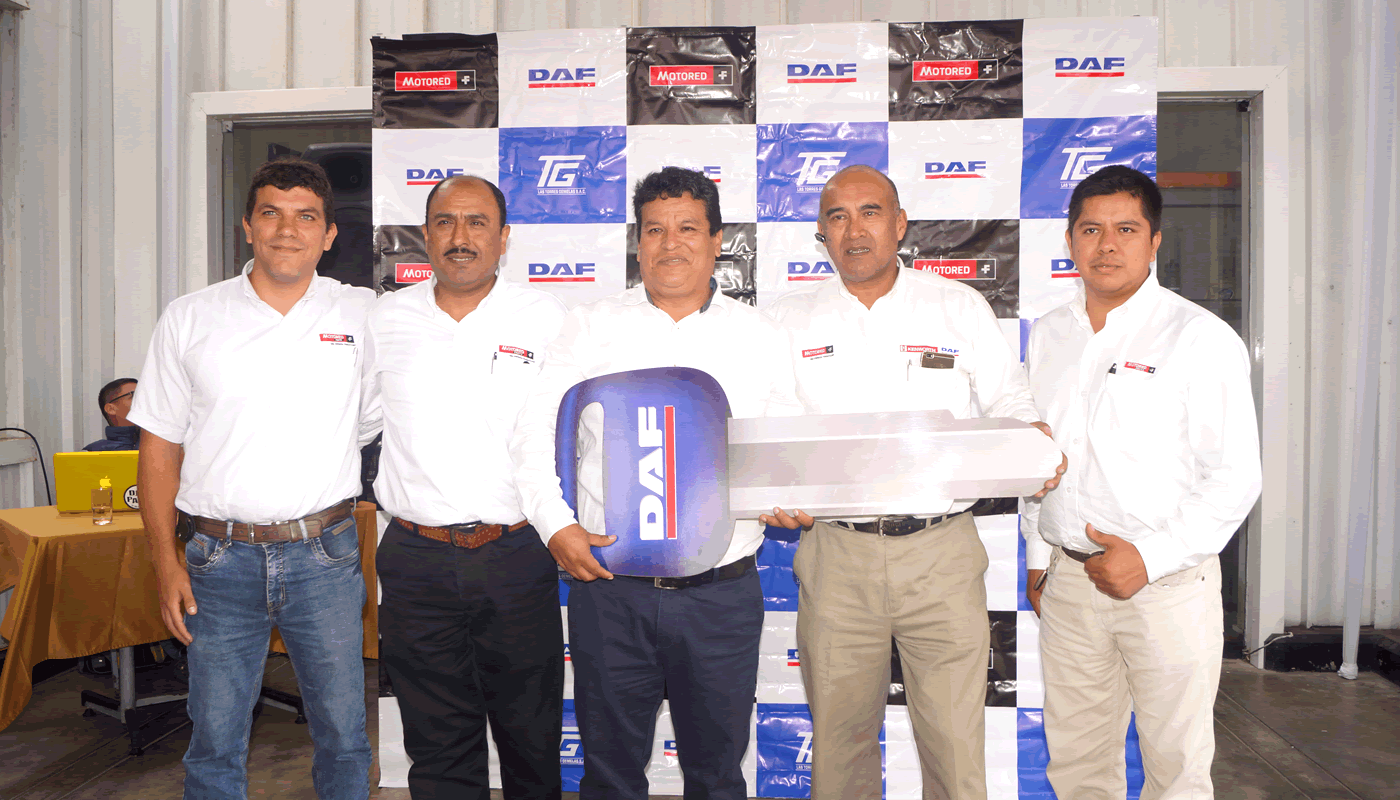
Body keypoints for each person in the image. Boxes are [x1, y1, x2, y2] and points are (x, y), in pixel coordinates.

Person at [763, 164, 1064, 800]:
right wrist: (773, 492)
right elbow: (771, 429)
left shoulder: (957, 306)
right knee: (839, 747)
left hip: (941, 552)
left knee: (954, 747)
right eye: (838, 216)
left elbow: (1008, 397)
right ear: (821, 233)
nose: (854, 230)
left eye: (870, 213)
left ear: (899, 225)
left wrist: (1028, 435)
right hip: (836, 556)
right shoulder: (787, 320)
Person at [510, 166, 801, 800]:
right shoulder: (588, 325)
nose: (671, 244)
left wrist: (792, 495)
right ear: (637, 243)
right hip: (612, 592)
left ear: (717, 240)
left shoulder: (760, 335)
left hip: (720, 595)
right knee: (610, 777)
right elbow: (534, 435)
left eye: (688, 228)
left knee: (717, 777)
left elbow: (783, 444)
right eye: (654, 230)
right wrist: (555, 525)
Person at [129, 157, 374, 799]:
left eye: (306, 217)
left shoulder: (364, 315)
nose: (287, 230)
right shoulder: (190, 317)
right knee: (214, 742)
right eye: (271, 213)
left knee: (344, 735)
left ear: (329, 234)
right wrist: (164, 563)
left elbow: (375, 419)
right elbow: (158, 449)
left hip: (325, 557)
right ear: (247, 226)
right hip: (217, 560)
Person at [1021, 165, 1261, 800]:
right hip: (1070, 582)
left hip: (1166, 587)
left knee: (1175, 770)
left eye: (1126, 229)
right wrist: (1039, 555)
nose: (1107, 245)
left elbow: (1236, 477)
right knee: (1077, 767)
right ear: (1070, 241)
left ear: (1154, 241)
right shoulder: (1050, 334)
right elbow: (1042, 456)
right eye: (1091, 230)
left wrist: (1148, 559)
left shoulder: (1198, 337)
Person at [363, 175, 567, 800]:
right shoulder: (384, 319)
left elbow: (573, 434)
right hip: (415, 560)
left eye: (477, 222)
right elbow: (356, 421)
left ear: (504, 238)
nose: (460, 237)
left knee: (531, 741)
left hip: (517, 555)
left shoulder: (547, 319)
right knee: (436, 748)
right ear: (425, 236)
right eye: (445, 222)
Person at [84, 377, 140, 450]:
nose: (143, 401)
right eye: (134, 395)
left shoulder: (154, 445)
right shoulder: (94, 452)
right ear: (111, 409)